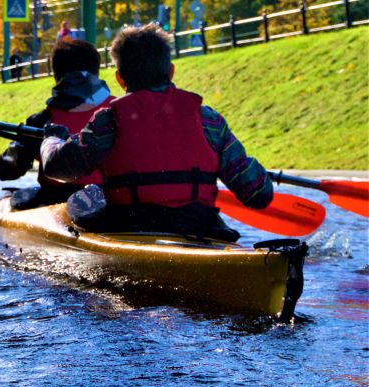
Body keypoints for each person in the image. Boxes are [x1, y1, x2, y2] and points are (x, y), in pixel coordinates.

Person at [39, 24, 273, 242]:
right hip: (199, 226)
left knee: (79, 205)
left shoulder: (107, 120)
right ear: (171, 72)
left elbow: (59, 169)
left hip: (130, 225)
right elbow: (258, 194)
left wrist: (52, 139)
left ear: (120, 79)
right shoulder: (209, 120)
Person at [0, 38, 115, 210]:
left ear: (56, 76)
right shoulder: (119, 112)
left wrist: (16, 148)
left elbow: (7, 172)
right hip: (109, 201)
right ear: (96, 72)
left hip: (58, 201)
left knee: (15, 198)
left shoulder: (41, 121)